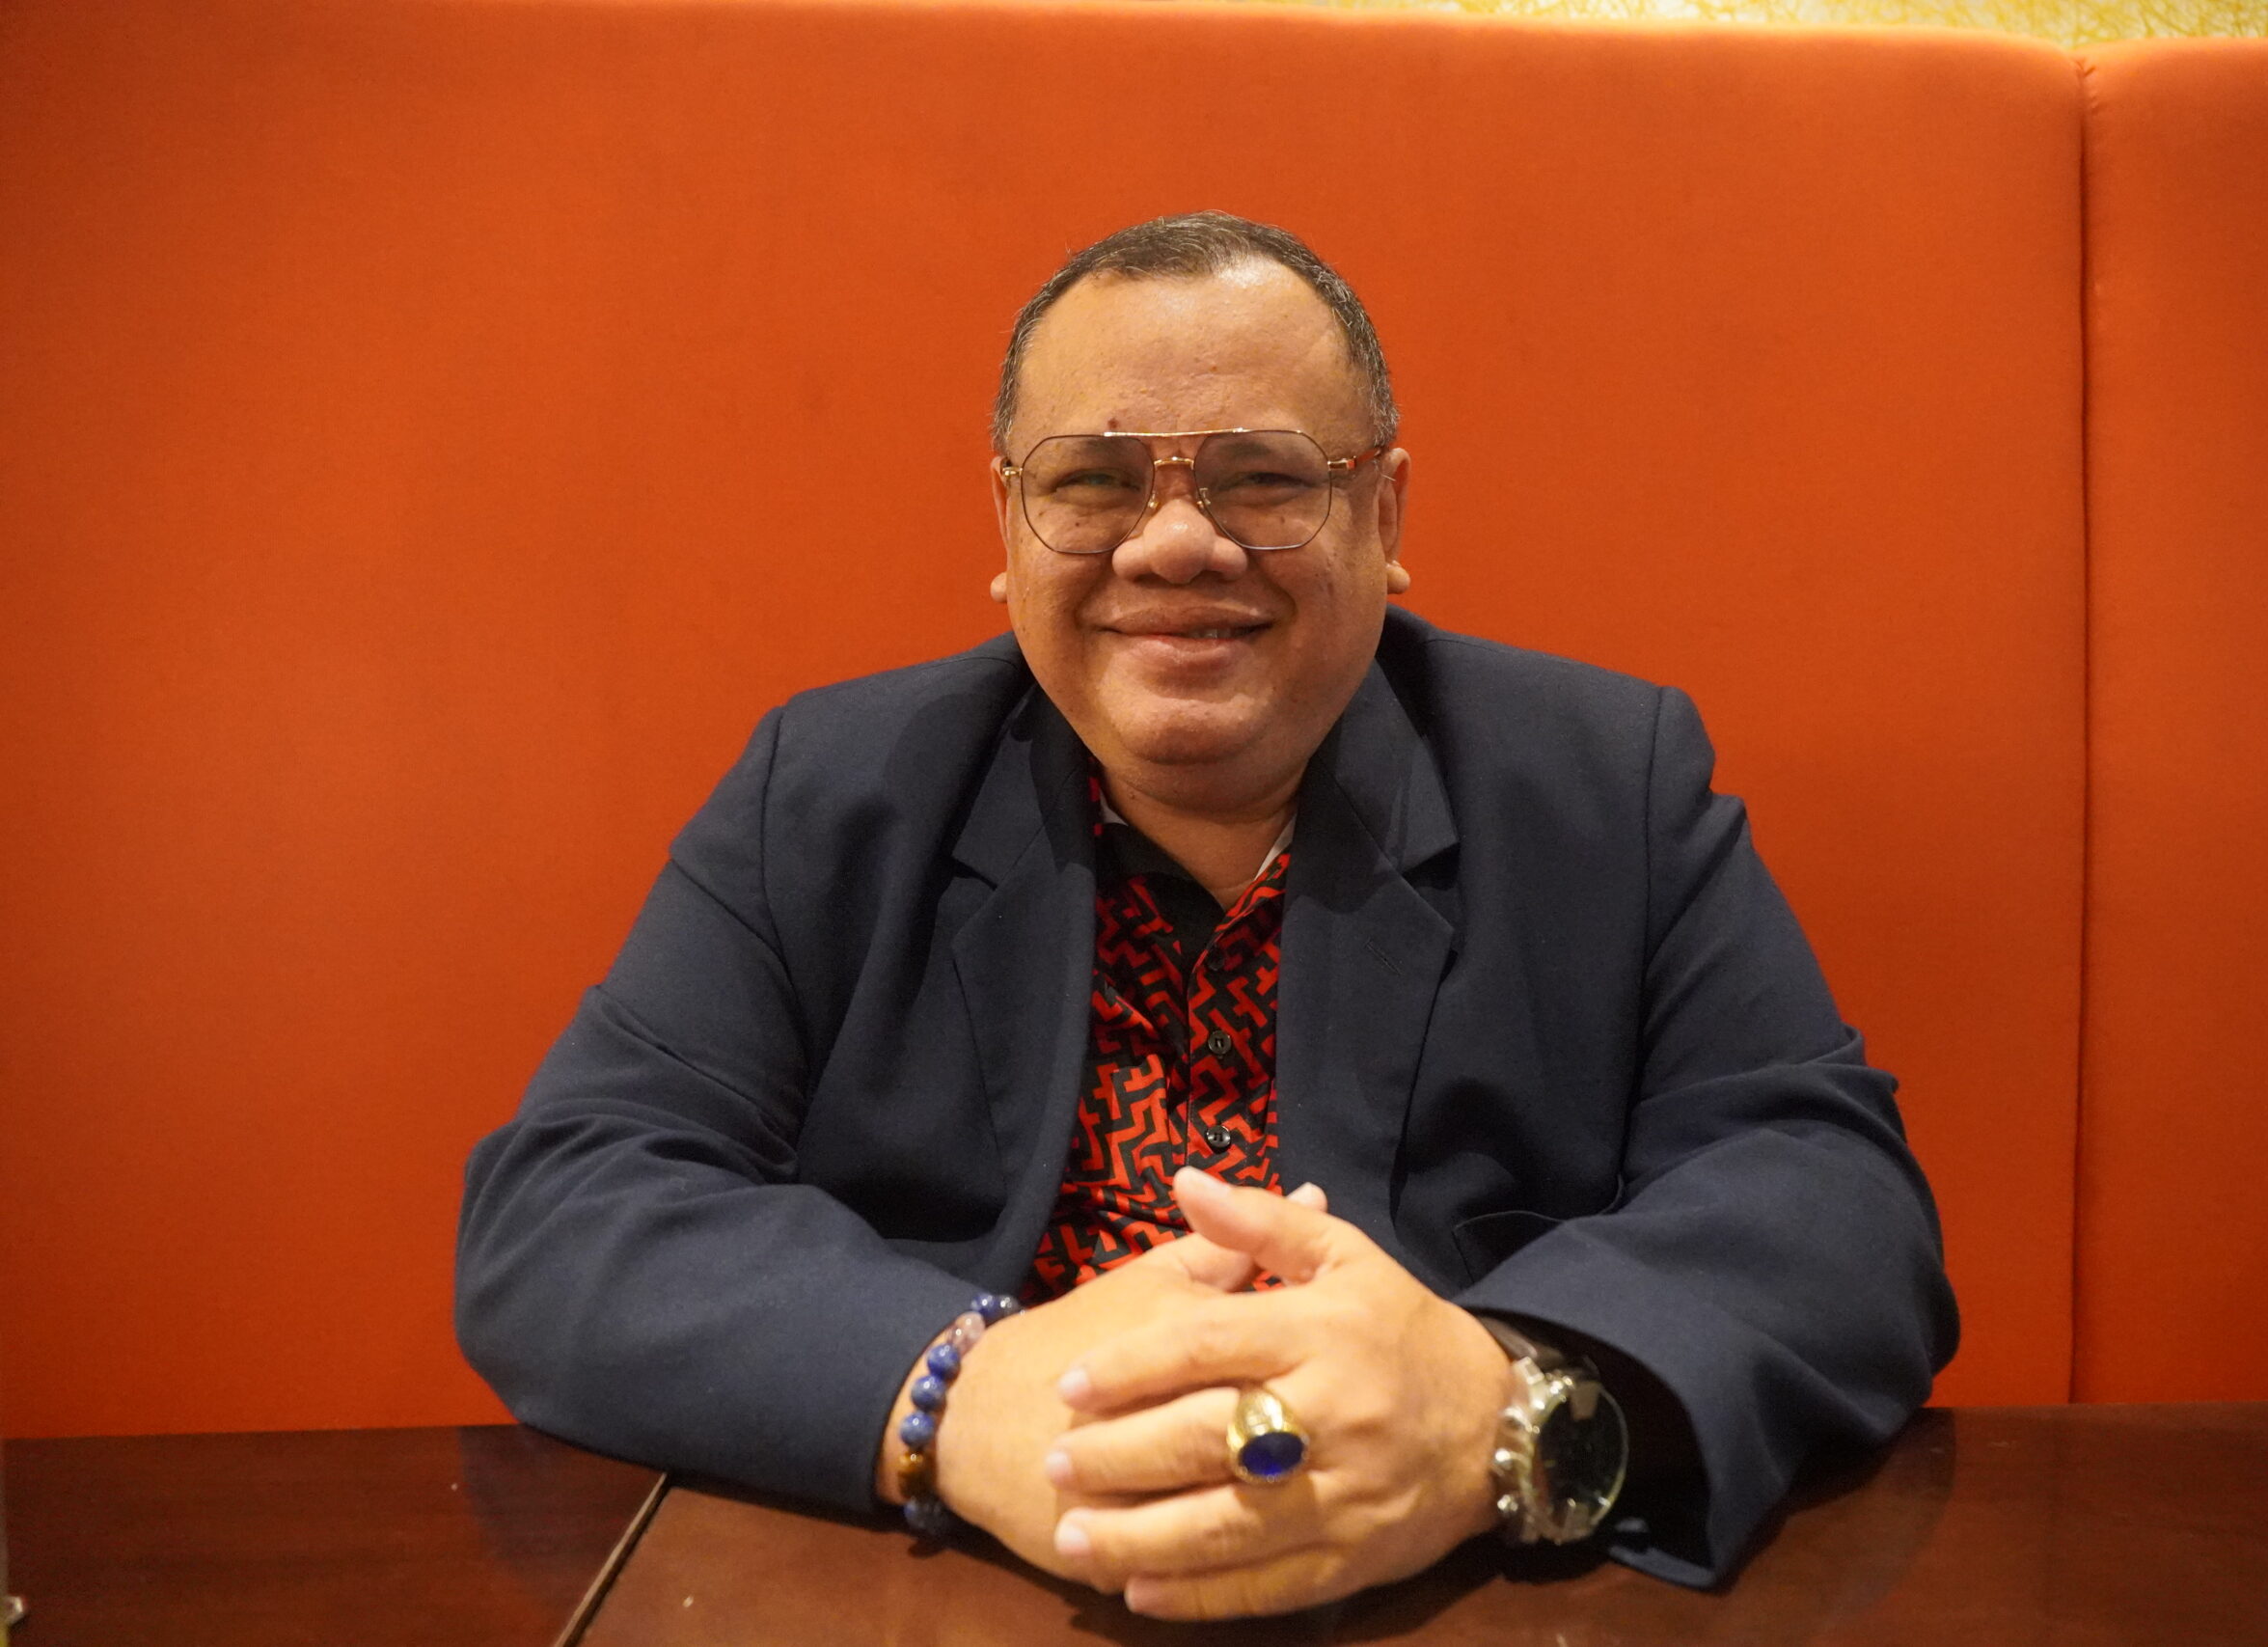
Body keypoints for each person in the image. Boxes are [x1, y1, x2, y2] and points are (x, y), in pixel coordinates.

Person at [454, 211, 1957, 1621]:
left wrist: (1496, 1402)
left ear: (1384, 513)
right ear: (1008, 520)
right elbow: (566, 1210)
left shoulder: (1603, 787)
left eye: (1261, 478)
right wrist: (951, 1397)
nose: (1174, 543)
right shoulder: (829, 791)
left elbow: (1835, 1208)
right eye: (1094, 481)